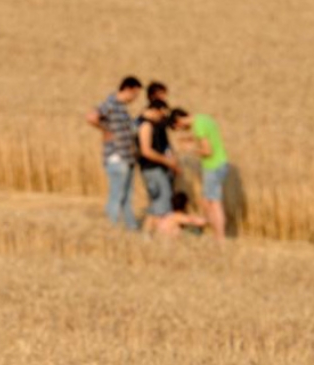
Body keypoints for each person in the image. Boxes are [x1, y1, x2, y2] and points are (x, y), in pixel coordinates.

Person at [86, 76, 142, 230]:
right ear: (128, 90)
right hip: (118, 157)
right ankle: (113, 229)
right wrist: (106, 130)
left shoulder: (121, 108)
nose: (135, 99)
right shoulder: (111, 103)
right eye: (135, 95)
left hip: (127, 157)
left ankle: (131, 231)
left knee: (126, 198)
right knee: (117, 196)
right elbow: (91, 117)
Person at [168, 108, 229, 241]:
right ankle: (217, 234)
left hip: (212, 166)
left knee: (213, 203)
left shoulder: (198, 127)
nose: (181, 130)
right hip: (220, 163)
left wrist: (190, 150)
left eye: (177, 127)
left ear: (178, 120)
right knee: (208, 201)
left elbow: (208, 151)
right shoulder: (204, 118)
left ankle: (220, 237)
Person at [135, 100, 181, 234]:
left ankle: (148, 236)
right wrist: (168, 162)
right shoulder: (146, 125)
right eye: (161, 115)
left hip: (153, 169)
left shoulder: (142, 123)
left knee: (157, 206)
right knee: (161, 206)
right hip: (152, 170)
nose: (162, 119)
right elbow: (146, 151)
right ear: (156, 110)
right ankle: (156, 236)